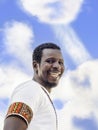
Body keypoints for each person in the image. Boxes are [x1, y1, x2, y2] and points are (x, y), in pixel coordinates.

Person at [3, 42, 65, 130]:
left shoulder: (41, 94)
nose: (57, 66)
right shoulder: (30, 89)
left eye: (60, 62)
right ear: (36, 65)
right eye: (50, 61)